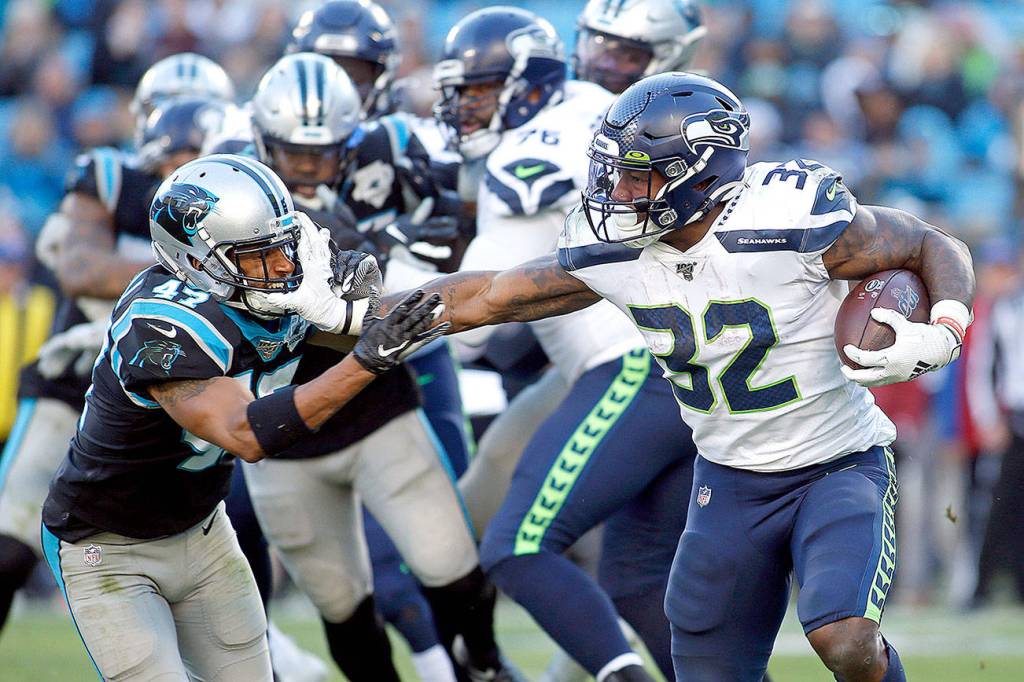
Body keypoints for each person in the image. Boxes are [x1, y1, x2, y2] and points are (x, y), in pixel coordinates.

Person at [357, 71, 975, 682]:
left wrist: (945, 328)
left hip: (836, 463)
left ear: (699, 173)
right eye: (614, 172)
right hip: (728, 479)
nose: (619, 192)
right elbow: (488, 296)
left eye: (637, 174)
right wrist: (351, 313)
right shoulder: (614, 249)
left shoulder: (787, 216)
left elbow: (928, 243)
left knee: (844, 638)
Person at [40, 153, 444, 681]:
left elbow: (461, 302)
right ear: (198, 261)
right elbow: (245, 434)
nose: (282, 267)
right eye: (257, 255)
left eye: (282, 247)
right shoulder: (160, 322)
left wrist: (551, 278)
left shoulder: (264, 296)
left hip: (203, 531)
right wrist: (365, 361)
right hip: (106, 545)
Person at [423, 8, 698, 681]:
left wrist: (374, 297)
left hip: (632, 364)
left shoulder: (530, 152)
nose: (465, 108)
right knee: (636, 579)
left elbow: (474, 321)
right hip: (680, 360)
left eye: (481, 92)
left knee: (516, 545)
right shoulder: (596, 110)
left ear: (524, 87)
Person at [246, 52, 518, 682]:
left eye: (323, 153)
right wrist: (378, 254)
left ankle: (483, 665)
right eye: (293, 153)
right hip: (286, 433)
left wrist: (420, 247)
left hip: (378, 412)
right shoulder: (233, 198)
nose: (307, 167)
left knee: (454, 572)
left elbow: (457, 225)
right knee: (342, 607)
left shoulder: (391, 156)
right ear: (262, 140)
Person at [0, 93, 222, 641]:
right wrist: (192, 272)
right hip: (74, 383)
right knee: (9, 543)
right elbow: (81, 269)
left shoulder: (233, 217)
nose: (182, 178)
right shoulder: (110, 180)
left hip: (163, 401)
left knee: (198, 560)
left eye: (197, 162)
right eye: (174, 162)